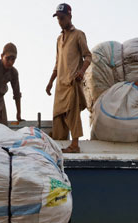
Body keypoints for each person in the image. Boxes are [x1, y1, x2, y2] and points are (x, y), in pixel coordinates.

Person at [46, 3, 91, 153]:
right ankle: (60, 146)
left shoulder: (78, 34)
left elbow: (88, 56)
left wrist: (81, 72)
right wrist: (50, 82)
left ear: (69, 17)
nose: (60, 21)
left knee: (72, 113)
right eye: (58, 18)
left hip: (72, 81)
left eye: (62, 18)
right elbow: (57, 63)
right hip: (60, 85)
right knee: (58, 117)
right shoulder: (59, 39)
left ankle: (75, 145)